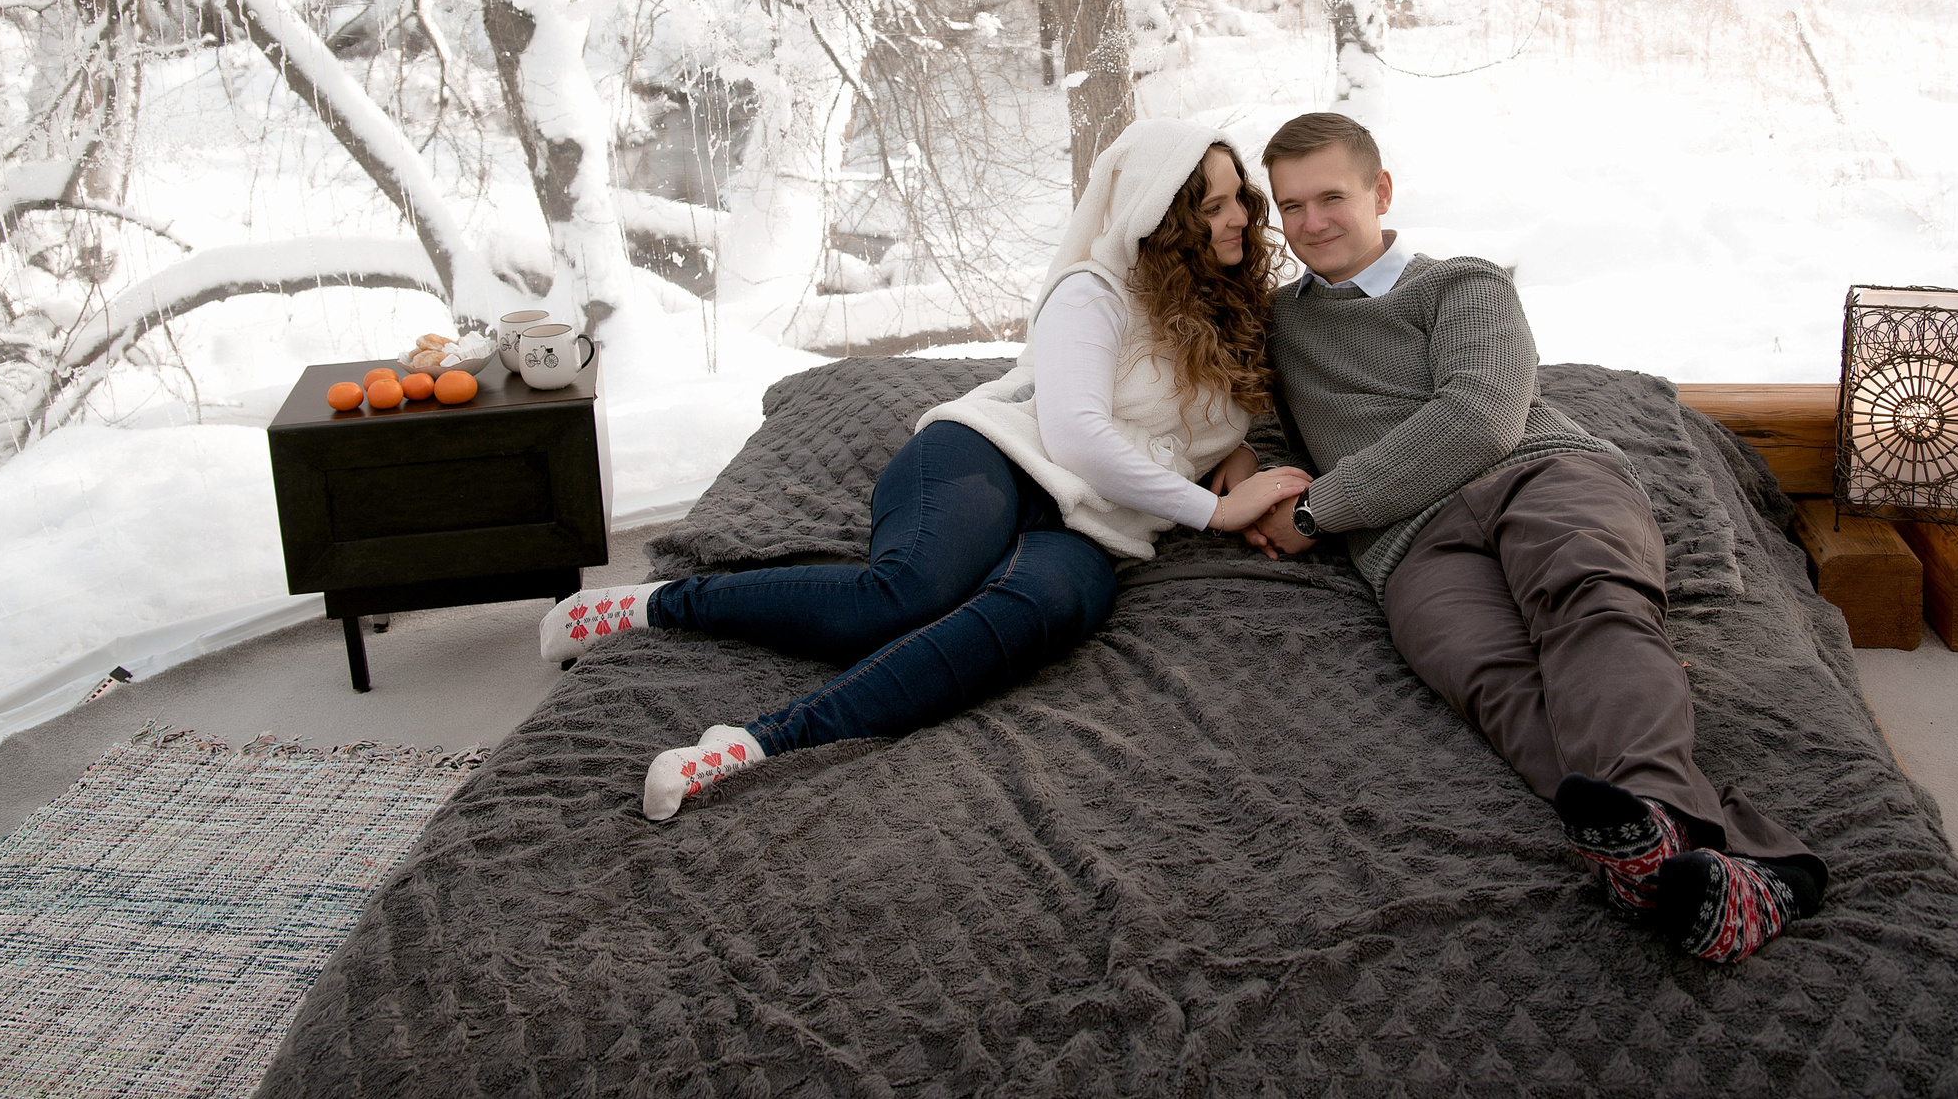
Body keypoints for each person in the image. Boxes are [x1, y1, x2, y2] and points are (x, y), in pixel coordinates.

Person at [543, 117, 1312, 821]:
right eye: (1211, 207)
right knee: (905, 594)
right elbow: (1077, 435)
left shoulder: (1239, 306)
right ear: (1160, 213)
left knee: (1035, 612)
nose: (1239, 216)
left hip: (1096, 526)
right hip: (994, 455)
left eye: (1237, 197)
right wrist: (1213, 510)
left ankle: (752, 745)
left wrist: (1233, 454)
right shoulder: (1096, 291)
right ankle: (664, 605)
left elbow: (1210, 419)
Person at [1226, 110, 1827, 963]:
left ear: (1381, 190)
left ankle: (1671, 841)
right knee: (1497, 683)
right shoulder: (1281, 324)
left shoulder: (1462, 284)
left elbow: (1478, 417)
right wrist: (1238, 459)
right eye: (1293, 205)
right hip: (1410, 542)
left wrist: (1321, 508)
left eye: (1333, 196)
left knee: (1590, 606)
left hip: (1537, 474)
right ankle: (1734, 871)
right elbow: (1207, 389)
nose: (1313, 222)